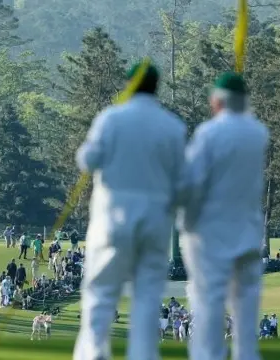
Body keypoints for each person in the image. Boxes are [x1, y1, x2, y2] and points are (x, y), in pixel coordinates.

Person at [73, 61, 186, 360]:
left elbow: (89, 159)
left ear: (129, 84)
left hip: (113, 212)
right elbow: (182, 177)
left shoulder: (111, 118)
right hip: (155, 216)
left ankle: (95, 351)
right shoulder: (172, 126)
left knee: (100, 288)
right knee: (148, 293)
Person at [178, 72, 269, 360]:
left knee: (208, 310)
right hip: (248, 233)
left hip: (212, 234)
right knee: (245, 315)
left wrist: (186, 223)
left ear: (217, 101)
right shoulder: (258, 132)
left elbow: (192, 183)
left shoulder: (209, 133)